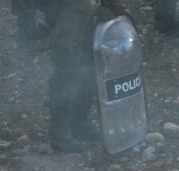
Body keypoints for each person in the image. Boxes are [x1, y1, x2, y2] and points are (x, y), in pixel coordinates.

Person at [44, 0, 125, 152]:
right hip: (69, 25)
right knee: (65, 76)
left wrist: (114, 6)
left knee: (90, 73)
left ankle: (79, 122)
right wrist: (93, 8)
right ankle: (60, 134)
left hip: (91, 27)